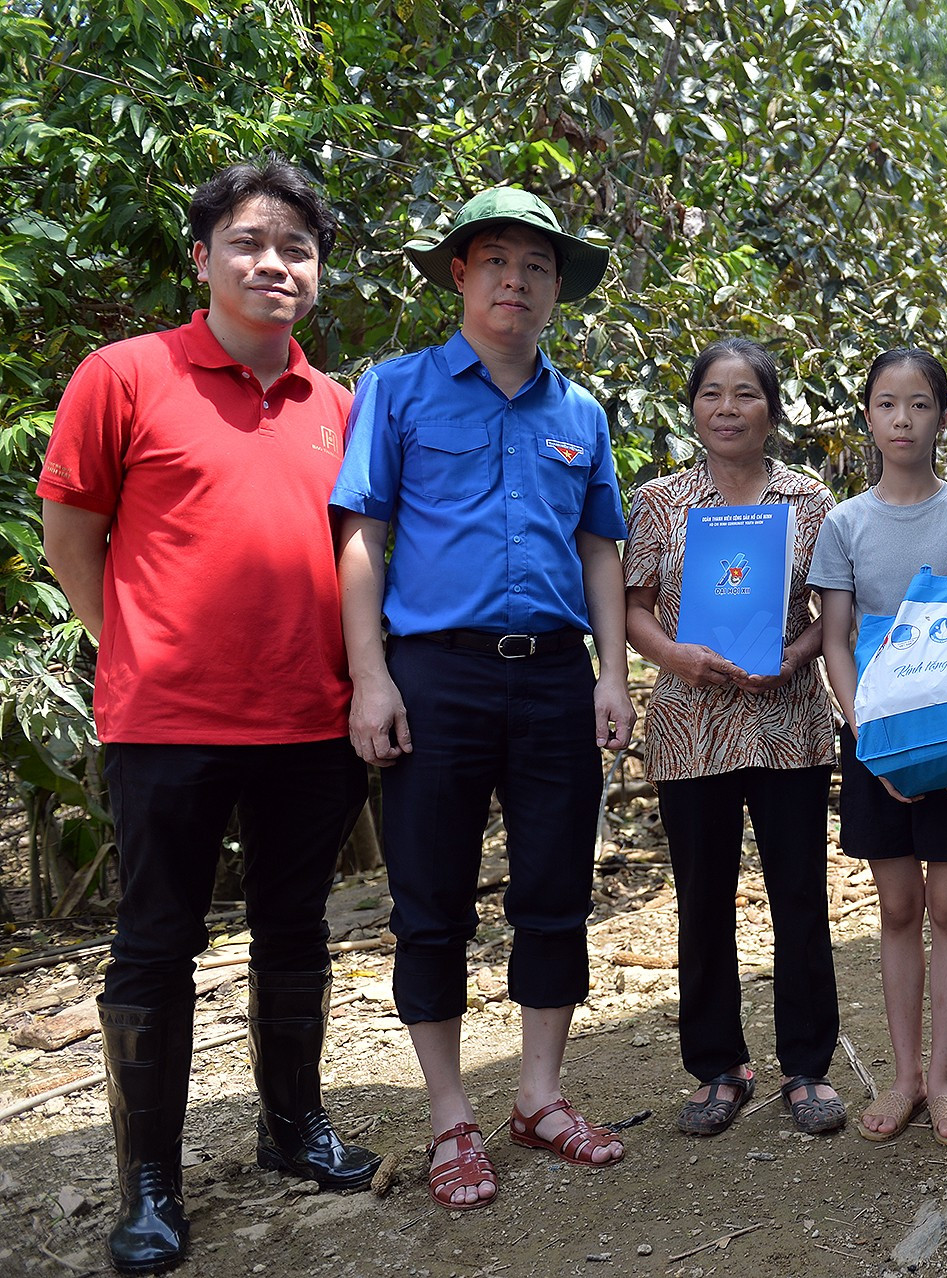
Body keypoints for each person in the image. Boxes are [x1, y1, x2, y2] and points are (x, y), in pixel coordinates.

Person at [39, 158, 379, 1274]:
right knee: (155, 946)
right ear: (203, 258)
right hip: (168, 722)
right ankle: (150, 1183)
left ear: (318, 273)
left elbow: (354, 554)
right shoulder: (125, 376)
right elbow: (73, 537)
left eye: (297, 248)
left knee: (294, 933)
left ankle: (294, 1127)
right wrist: (132, 645)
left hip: (307, 721)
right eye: (249, 242)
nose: (274, 263)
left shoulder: (336, 407)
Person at [332, 188, 633, 1211]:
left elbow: (602, 545)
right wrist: (370, 675)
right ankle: (452, 1117)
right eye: (496, 261)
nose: (517, 281)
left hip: (553, 675)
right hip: (437, 675)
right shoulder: (400, 390)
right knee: (432, 903)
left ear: (557, 291)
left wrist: (611, 672)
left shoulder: (581, 413)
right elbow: (362, 539)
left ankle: (540, 1098)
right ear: (460, 274)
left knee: (555, 890)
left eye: (537, 267)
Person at [624, 338, 847, 1138]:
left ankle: (807, 1065)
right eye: (712, 394)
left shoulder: (810, 499)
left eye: (745, 394)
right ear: (692, 407)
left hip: (787, 721)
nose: (727, 409)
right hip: (692, 727)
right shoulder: (659, 501)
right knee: (703, 903)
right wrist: (675, 654)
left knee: (798, 896)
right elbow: (632, 607)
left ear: (772, 409)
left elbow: (834, 611)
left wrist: (797, 653)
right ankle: (719, 1066)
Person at [809, 349, 947, 1146]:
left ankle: (944, 1077)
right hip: (879, 746)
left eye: (920, 404)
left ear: (942, 416)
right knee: (896, 907)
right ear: (867, 415)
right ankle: (901, 1076)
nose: (903, 420)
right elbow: (835, 643)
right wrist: (871, 744)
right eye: (888, 404)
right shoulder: (845, 524)